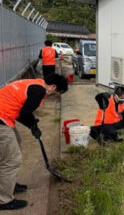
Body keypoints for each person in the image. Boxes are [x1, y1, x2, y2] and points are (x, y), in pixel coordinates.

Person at [0, 74, 68, 210]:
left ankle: (9, 185)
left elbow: (20, 111)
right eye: (56, 92)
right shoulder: (39, 91)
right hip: (2, 119)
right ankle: (3, 200)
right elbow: (25, 113)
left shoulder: (34, 84)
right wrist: (32, 125)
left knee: (15, 147)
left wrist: (32, 125)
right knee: (11, 160)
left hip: (5, 117)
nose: (53, 94)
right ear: (53, 87)